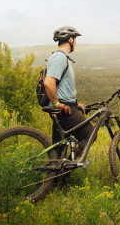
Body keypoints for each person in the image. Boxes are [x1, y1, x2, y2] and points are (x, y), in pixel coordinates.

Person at [44, 25, 95, 156]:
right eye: (75, 40)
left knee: (58, 148)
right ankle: (68, 167)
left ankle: (57, 174)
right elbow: (48, 82)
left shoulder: (62, 57)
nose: (76, 43)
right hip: (63, 109)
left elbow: (63, 86)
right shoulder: (59, 57)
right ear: (71, 40)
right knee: (90, 133)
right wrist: (56, 103)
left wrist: (76, 103)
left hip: (66, 106)